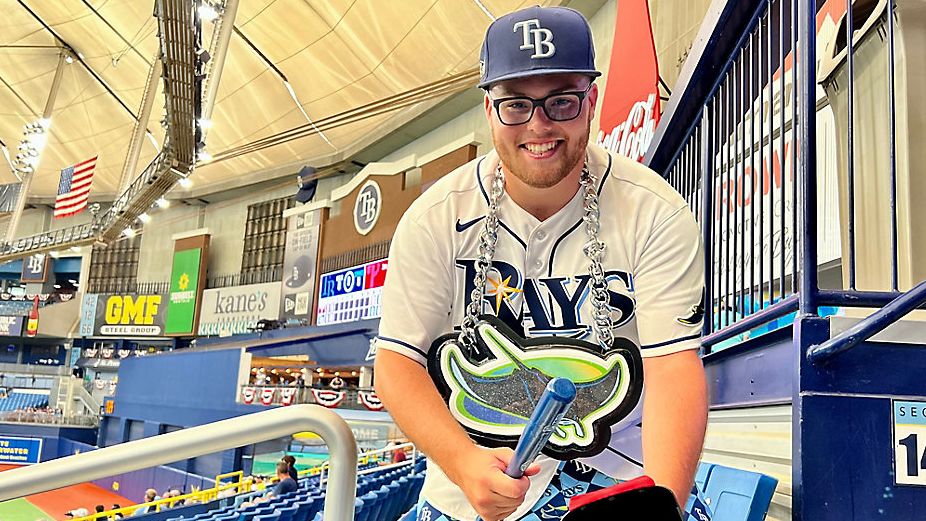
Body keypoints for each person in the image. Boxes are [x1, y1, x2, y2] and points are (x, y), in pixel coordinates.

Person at [373, 6, 707, 521]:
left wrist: (658, 504)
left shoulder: (654, 210)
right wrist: (463, 464)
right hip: (469, 489)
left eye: (562, 101)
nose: (539, 125)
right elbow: (397, 366)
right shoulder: (434, 220)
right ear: (489, 109)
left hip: (616, 481)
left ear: (591, 100)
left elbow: (672, 366)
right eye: (515, 105)